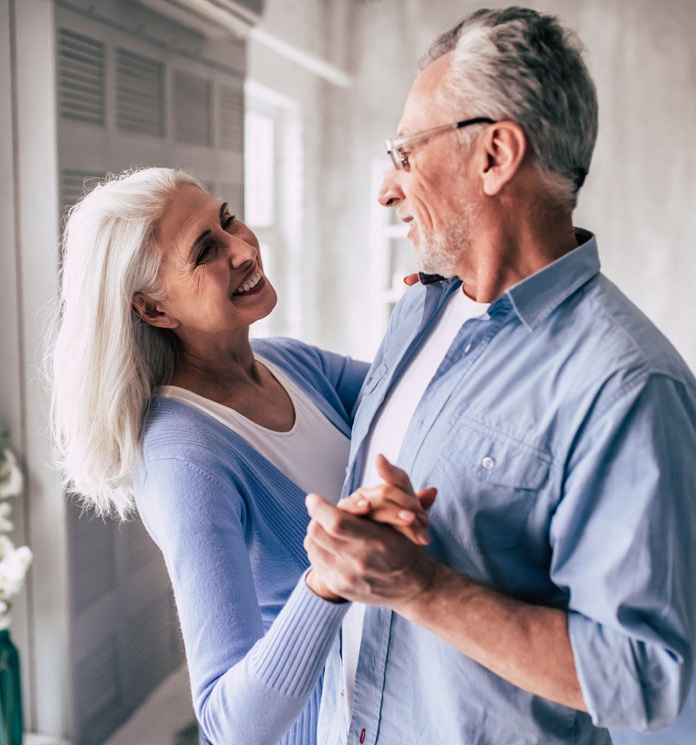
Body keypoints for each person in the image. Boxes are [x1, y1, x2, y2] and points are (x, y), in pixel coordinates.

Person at [301, 7, 696, 745]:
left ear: (493, 156)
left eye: (404, 152)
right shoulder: (419, 307)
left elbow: (642, 674)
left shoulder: (628, 388)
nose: (386, 190)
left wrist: (421, 587)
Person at [49, 167, 434, 745]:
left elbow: (420, 403)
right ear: (154, 310)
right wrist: (327, 580)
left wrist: (432, 310)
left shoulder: (289, 364)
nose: (243, 247)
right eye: (206, 249)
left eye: (227, 220)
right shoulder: (187, 458)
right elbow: (229, 722)